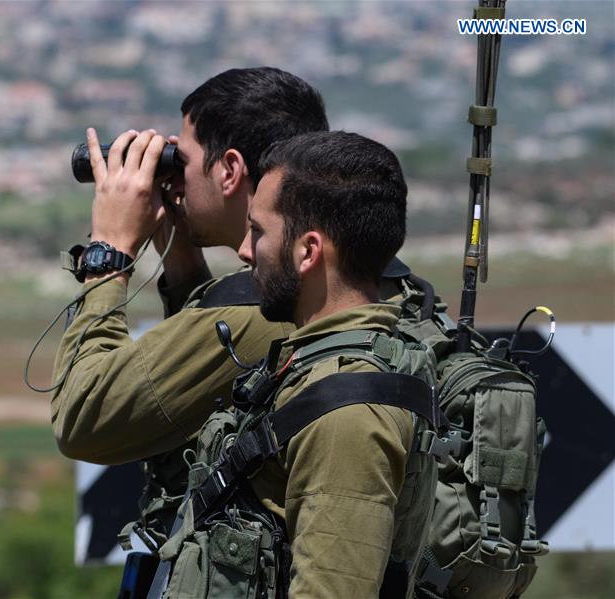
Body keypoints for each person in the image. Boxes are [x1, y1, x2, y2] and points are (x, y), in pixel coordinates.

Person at [50, 67, 330, 465]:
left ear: (229, 171)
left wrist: (108, 252)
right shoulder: (328, 273)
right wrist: (180, 255)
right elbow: (202, 371)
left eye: (181, 162)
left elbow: (82, 419)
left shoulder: (269, 309)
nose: (175, 179)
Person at [226, 130, 438, 597]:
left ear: (308, 251)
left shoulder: (348, 413)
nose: (244, 250)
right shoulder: (316, 368)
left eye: (258, 231)